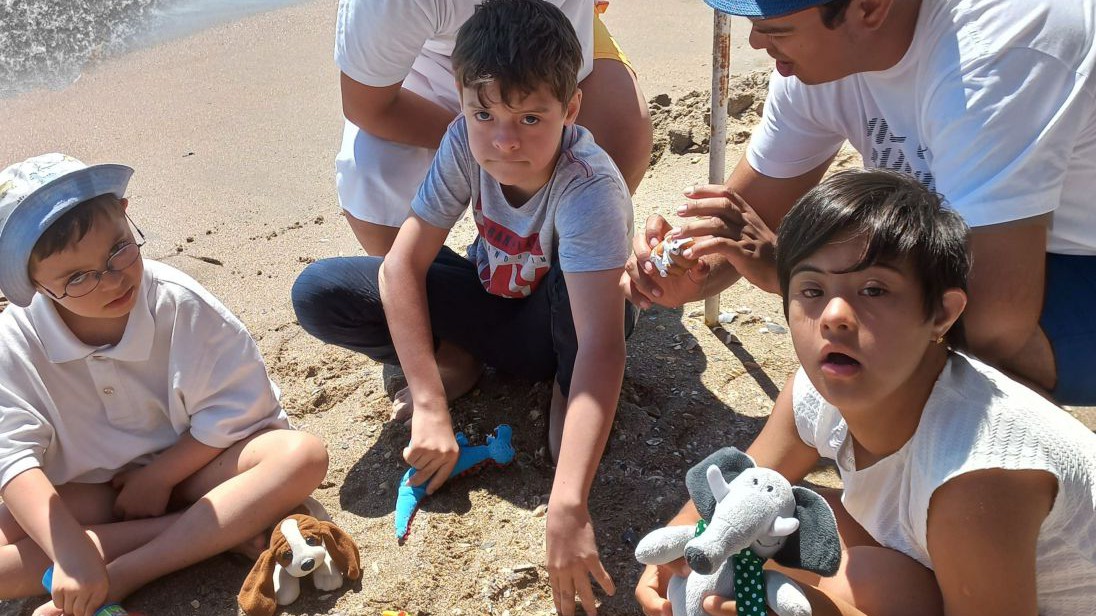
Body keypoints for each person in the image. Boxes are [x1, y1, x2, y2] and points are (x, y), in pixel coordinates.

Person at [292, 1, 634, 614]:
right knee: (321, 291)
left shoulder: (589, 187)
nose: (505, 141)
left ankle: (562, 389)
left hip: (559, 323)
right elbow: (403, 265)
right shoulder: (462, 140)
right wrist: (427, 401)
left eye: (532, 117)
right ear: (463, 101)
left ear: (570, 109)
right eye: (486, 114)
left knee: (574, 286)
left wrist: (568, 502)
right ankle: (459, 365)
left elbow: (605, 344)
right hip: (490, 293)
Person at [635, 169, 1096, 616]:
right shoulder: (820, 394)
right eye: (812, 289)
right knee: (773, 511)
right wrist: (679, 545)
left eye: (873, 290)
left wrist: (825, 613)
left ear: (942, 314)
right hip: (941, 568)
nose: (835, 314)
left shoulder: (975, 480)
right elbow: (746, 482)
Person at [624, 0, 1096, 405]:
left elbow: (996, 324)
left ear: (869, 7)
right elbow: (744, 224)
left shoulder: (996, 54)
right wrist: (692, 269)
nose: (755, 44)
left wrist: (785, 273)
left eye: (776, 28)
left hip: (1077, 265)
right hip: (984, 248)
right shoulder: (819, 63)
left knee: (899, 355)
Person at [0, 154, 330, 616]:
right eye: (77, 278)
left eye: (118, 247)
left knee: (300, 456)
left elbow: (242, 409)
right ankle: (211, 532)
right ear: (34, 285)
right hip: (96, 490)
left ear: (126, 210)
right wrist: (71, 553)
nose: (112, 279)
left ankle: (129, 573)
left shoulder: (179, 303)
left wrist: (160, 476)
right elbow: (11, 456)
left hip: (200, 471)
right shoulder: (15, 342)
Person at [334, 0, 652, 256]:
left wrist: (525, 138)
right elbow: (369, 107)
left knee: (619, 138)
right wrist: (479, 140)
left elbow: (563, 99)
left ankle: (550, 266)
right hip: (427, 54)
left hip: (546, 29)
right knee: (371, 177)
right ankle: (442, 312)